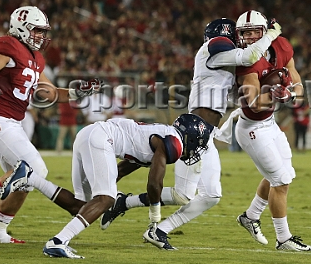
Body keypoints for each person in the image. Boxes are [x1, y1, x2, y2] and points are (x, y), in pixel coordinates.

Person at [99, 17, 282, 248]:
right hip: (192, 130)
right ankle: (125, 204)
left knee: (211, 195)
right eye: (233, 38)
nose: (237, 42)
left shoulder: (224, 64)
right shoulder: (212, 49)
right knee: (181, 194)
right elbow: (249, 55)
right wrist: (272, 35)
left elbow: (238, 94)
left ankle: (148, 221)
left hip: (207, 134)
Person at [0, 5, 101, 243]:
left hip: (13, 124)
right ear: (21, 27)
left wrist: (77, 92)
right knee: (35, 170)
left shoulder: (36, 58)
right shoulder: (9, 45)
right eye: (37, 30)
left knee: (25, 182)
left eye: (43, 31)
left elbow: (49, 93)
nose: (41, 36)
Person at [0, 113, 212, 258]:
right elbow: (154, 184)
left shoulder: (161, 138)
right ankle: (57, 242)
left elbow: (121, 170)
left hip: (89, 134)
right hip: (101, 139)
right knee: (105, 199)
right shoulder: (173, 144)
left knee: (82, 206)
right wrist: (155, 219)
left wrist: (104, 189)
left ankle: (30, 177)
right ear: (191, 138)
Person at [234, 10, 311, 251]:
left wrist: (290, 93)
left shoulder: (281, 46)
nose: (249, 38)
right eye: (244, 33)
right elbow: (254, 103)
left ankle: (250, 216)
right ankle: (284, 239)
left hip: (269, 124)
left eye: (254, 32)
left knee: (284, 174)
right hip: (251, 127)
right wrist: (276, 94)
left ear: (266, 32)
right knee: (280, 180)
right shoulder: (245, 60)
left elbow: (298, 83)